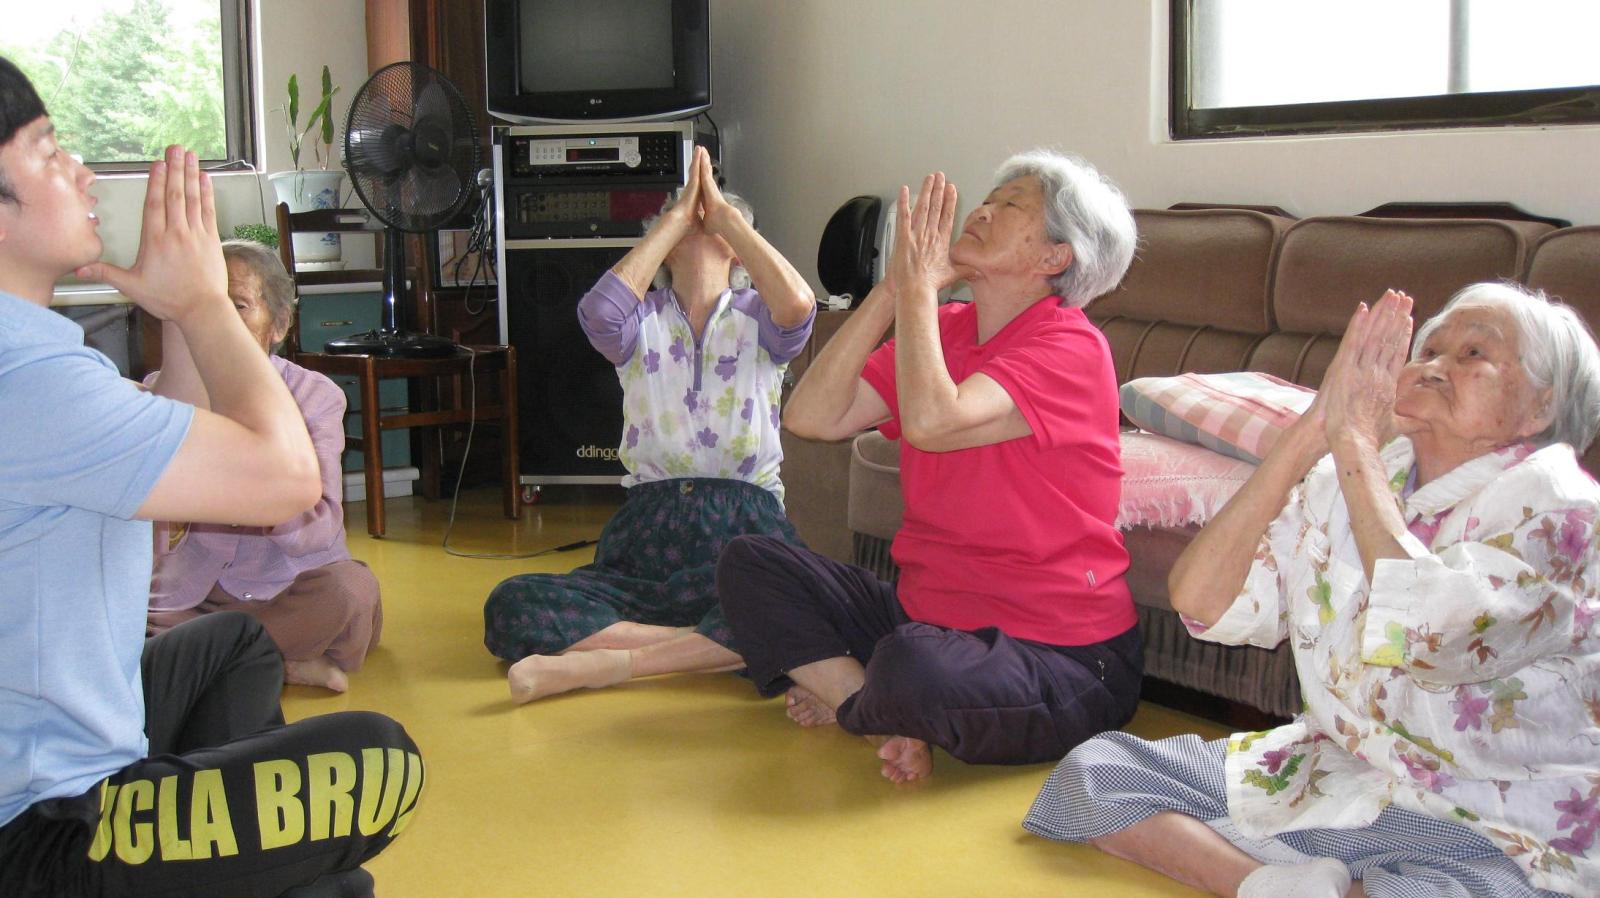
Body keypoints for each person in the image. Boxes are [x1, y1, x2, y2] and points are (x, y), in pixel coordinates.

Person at [1024, 284, 1600, 898]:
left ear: (1541, 406)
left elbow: (1427, 634)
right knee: (1097, 772)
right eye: (1427, 349)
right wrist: (1314, 431)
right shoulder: (1360, 476)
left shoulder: (1561, 506)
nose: (1434, 365)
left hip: (1483, 814)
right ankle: (1269, 885)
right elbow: (1199, 597)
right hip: (1341, 775)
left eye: (1473, 353)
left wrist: (1354, 441)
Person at [0, 58, 420, 897]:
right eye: (47, 153)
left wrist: (181, 317)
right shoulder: (29, 387)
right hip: (42, 828)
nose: (79, 170)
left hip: (76, 749)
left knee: (232, 646)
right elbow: (286, 479)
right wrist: (201, 308)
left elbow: (194, 461)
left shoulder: (33, 362)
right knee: (378, 765)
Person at [717, 150, 1143, 783]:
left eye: (1011, 205)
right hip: (926, 617)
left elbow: (933, 422)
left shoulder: (1072, 346)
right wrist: (893, 289)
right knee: (749, 562)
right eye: (989, 197)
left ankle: (864, 697)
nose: (983, 210)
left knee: (915, 664)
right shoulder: (945, 326)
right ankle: (878, 711)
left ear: (1056, 257)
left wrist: (915, 292)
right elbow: (811, 416)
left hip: (1061, 657)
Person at [483, 146, 815, 703]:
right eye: (681, 223)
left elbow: (800, 306)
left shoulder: (759, 316)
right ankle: (701, 648)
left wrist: (727, 218)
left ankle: (609, 664)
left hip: (746, 520)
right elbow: (597, 314)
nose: (695, 224)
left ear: (737, 244)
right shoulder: (638, 322)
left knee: (800, 598)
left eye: (706, 221)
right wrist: (676, 219)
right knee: (511, 604)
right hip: (649, 527)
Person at [145, 240, 382, 694]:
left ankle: (225, 661)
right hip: (191, 601)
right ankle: (282, 664)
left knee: (350, 592)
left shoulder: (316, 396)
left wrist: (259, 502)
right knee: (107, 606)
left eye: (237, 306)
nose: (219, 324)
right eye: (208, 306)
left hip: (286, 592)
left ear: (278, 325)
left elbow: (321, 525)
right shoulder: (164, 389)